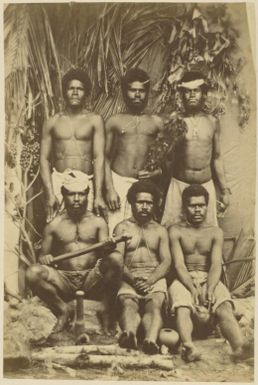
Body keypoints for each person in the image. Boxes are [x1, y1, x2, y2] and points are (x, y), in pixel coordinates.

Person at [25, 172, 122, 333]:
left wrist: (109, 247)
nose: (77, 199)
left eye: (81, 194)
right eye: (71, 194)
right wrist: (46, 258)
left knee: (116, 258)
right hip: (64, 279)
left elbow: (106, 255)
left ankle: (105, 309)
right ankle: (63, 309)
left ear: (87, 194)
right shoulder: (54, 225)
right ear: (63, 194)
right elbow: (41, 257)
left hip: (91, 278)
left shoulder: (98, 222)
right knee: (32, 273)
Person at [168, 184, 247, 362]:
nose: (197, 210)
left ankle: (238, 348)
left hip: (209, 277)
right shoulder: (176, 231)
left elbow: (215, 265)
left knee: (224, 305)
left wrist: (210, 288)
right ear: (184, 207)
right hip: (183, 278)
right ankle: (189, 346)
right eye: (192, 205)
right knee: (182, 305)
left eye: (201, 205)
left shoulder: (215, 232)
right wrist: (192, 288)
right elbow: (179, 264)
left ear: (207, 206)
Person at [162, 70, 231, 227]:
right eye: (187, 92)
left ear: (204, 94)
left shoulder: (212, 122)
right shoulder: (175, 122)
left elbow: (217, 157)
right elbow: (166, 158)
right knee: (172, 231)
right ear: (182, 95)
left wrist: (225, 191)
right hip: (179, 185)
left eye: (196, 91)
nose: (191, 95)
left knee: (205, 234)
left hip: (205, 186)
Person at [40, 68, 106, 223]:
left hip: (85, 182)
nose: (75, 92)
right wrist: (50, 194)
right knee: (57, 227)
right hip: (59, 181)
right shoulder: (52, 122)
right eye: (71, 88)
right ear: (64, 92)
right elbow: (44, 159)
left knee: (87, 229)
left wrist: (98, 195)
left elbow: (99, 157)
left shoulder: (95, 120)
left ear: (86, 93)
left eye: (80, 89)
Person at [113, 180, 171, 354]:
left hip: (155, 278)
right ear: (132, 202)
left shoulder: (160, 230)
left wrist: (151, 280)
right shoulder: (122, 228)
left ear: (154, 205)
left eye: (149, 203)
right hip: (128, 277)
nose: (145, 207)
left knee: (153, 306)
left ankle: (150, 340)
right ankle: (129, 334)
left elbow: (167, 261)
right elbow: (117, 260)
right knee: (128, 304)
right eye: (140, 202)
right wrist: (134, 280)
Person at [105, 68, 165, 233]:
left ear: (147, 94)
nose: (137, 94)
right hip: (119, 183)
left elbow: (166, 162)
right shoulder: (114, 122)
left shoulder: (156, 123)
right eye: (132, 90)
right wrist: (110, 188)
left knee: (142, 231)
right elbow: (104, 158)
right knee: (115, 229)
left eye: (141, 91)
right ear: (125, 93)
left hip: (145, 186)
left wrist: (155, 173)